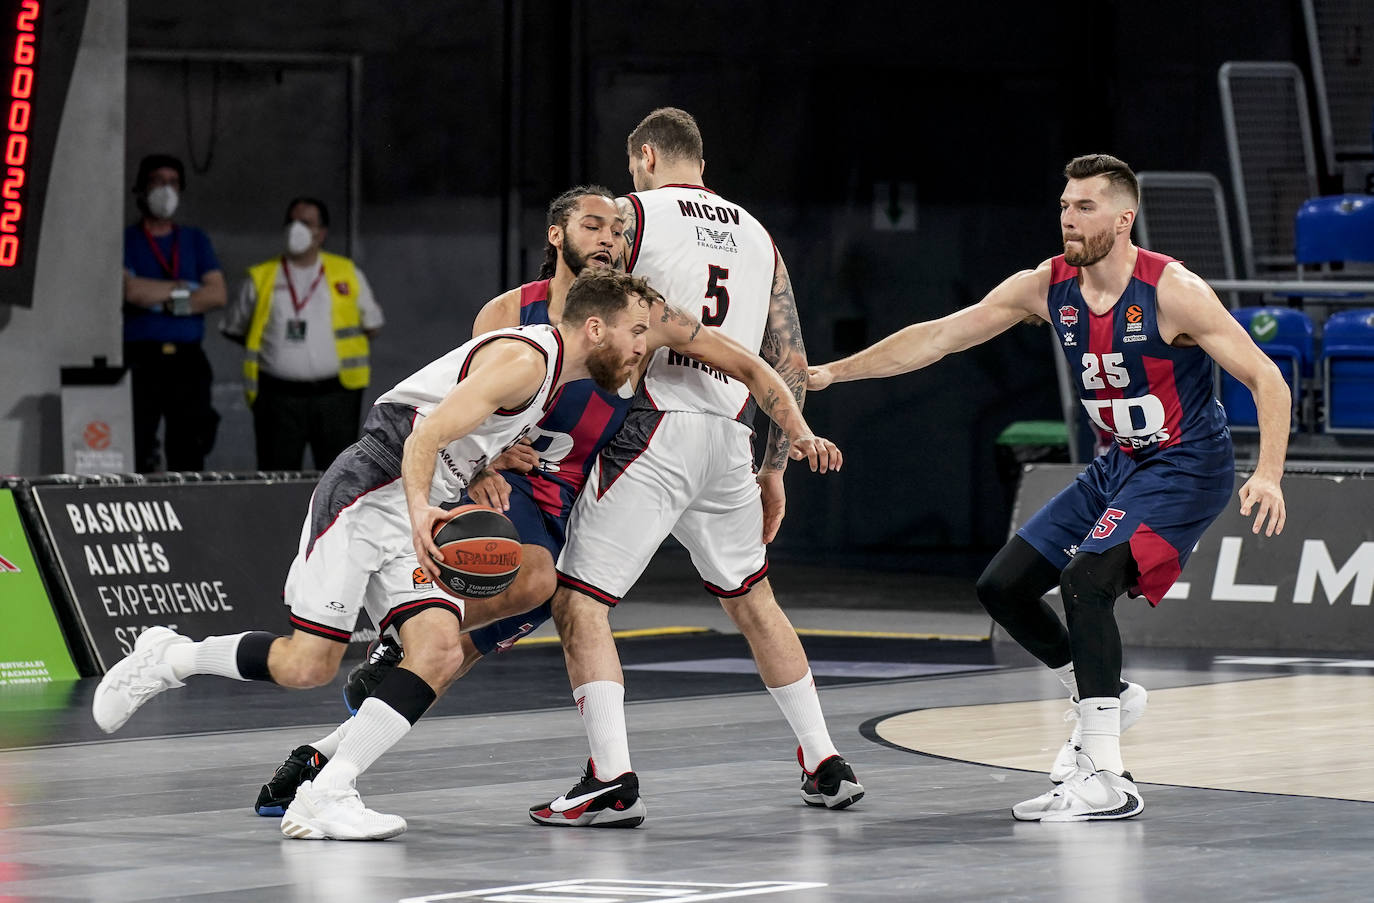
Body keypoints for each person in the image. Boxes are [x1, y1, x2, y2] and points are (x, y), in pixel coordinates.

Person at [92, 266, 839, 841]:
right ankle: (171, 656)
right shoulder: (528, 360)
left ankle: (330, 790)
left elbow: (462, 431)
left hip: (425, 500)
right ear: (595, 327)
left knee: (441, 649)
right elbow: (419, 433)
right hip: (372, 491)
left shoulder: (561, 377)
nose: (647, 347)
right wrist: (424, 507)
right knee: (305, 664)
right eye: (636, 332)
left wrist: (488, 464)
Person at [807, 154, 1290, 822]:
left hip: (1185, 467)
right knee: (1002, 587)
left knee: (1087, 581)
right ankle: (1107, 693)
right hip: (1114, 465)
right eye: (1064, 205)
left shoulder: (1173, 290)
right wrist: (834, 373)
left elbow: (1267, 377)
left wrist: (1268, 471)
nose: (1068, 217)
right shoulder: (1047, 285)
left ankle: (1106, 773)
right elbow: (940, 337)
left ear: (1125, 218)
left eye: (1085, 206)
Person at [251, 184, 637, 817]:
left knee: (448, 653)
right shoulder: (510, 315)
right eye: (594, 225)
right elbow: (457, 418)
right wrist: (478, 469)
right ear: (556, 234)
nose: (607, 239)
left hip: (562, 504)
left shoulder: (633, 323)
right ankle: (343, 749)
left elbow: (730, 355)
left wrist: (787, 419)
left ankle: (323, 760)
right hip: (490, 490)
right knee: (518, 595)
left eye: (618, 230)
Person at [529, 107, 863, 830]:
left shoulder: (629, 214)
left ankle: (610, 778)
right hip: (731, 436)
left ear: (645, 156)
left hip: (658, 424)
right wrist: (774, 467)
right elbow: (787, 356)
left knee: (579, 601)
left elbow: (575, 297)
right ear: (700, 159)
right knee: (753, 601)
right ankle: (824, 759)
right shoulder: (757, 234)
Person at [222, 197, 384, 471]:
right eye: (292, 221)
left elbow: (372, 324)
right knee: (276, 475)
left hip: (335, 396)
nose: (296, 229)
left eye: (306, 223)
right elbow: (237, 329)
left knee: (337, 477)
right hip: (277, 399)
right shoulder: (262, 276)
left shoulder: (345, 272)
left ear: (321, 233)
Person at [122, 153, 227, 472]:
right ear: (140, 188)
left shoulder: (195, 240)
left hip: (187, 361)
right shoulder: (126, 240)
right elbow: (130, 292)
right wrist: (185, 290)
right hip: (141, 360)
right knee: (138, 446)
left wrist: (163, 299)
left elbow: (217, 294)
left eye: (172, 183)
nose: (165, 190)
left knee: (189, 447)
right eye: (157, 181)